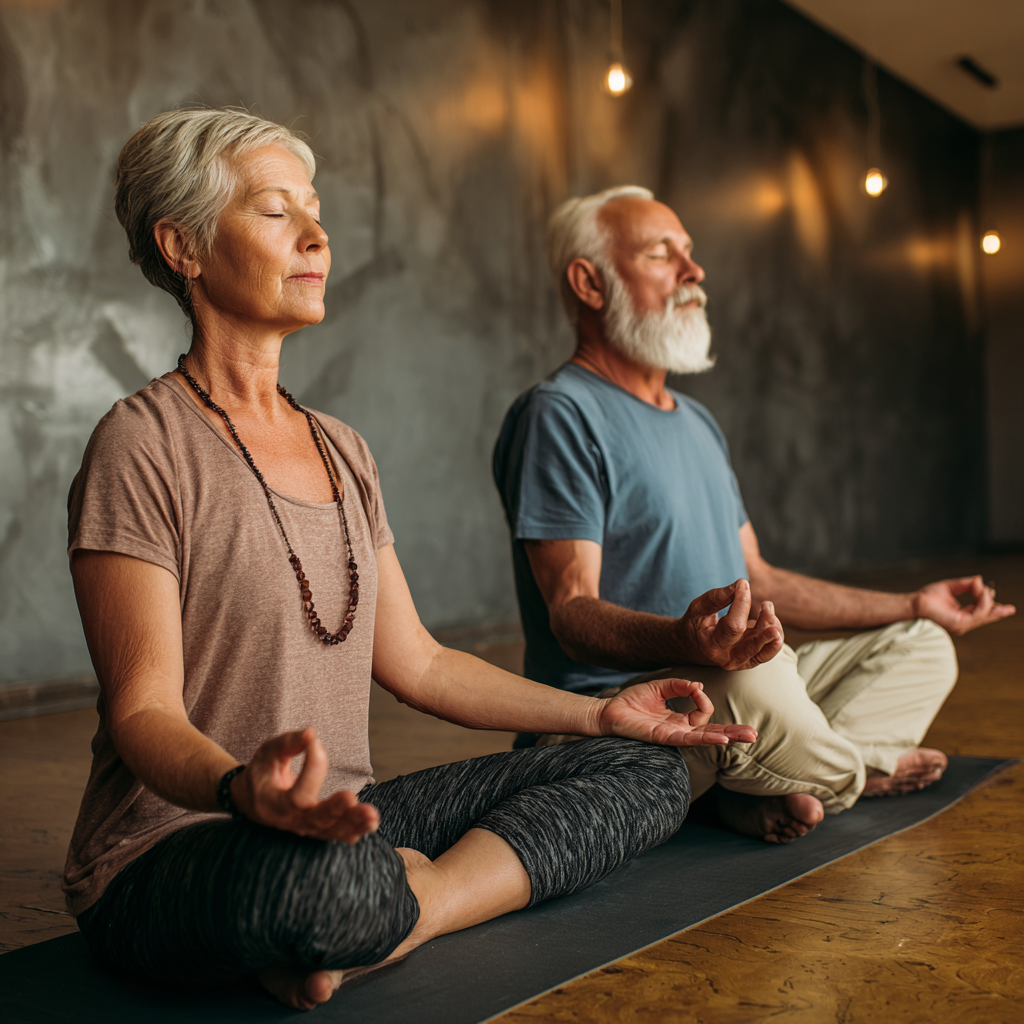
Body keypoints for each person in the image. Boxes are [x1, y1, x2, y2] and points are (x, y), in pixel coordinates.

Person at [63, 116, 758, 1011]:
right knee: (320, 882)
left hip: (350, 819)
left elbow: (421, 663)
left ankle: (412, 906)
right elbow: (142, 711)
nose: (317, 237)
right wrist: (245, 792)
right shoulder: (141, 444)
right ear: (183, 245)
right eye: (278, 213)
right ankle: (360, 909)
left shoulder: (342, 448)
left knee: (647, 771)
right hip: (181, 844)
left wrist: (600, 715)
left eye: (316, 212)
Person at [493, 185, 1016, 846]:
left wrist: (914, 601)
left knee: (920, 645)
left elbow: (759, 579)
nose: (694, 272)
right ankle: (851, 771)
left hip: (734, 684)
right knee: (761, 685)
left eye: (691, 252)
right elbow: (570, 611)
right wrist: (682, 642)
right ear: (588, 283)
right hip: (625, 712)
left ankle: (751, 784)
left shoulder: (700, 424)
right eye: (663, 254)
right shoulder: (559, 414)